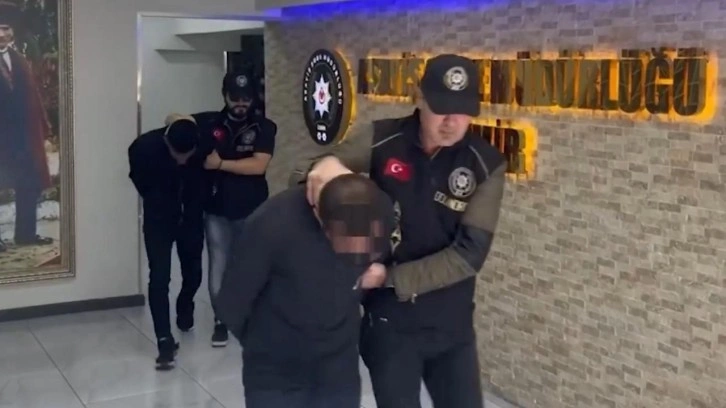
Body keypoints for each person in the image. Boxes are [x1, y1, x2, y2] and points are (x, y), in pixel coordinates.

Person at [290, 54, 506, 408]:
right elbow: (300, 176)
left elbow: (469, 255)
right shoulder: (383, 139)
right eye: (441, 109)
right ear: (420, 98)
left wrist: (389, 277)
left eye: (463, 111)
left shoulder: (485, 163)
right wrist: (325, 166)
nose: (451, 122)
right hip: (390, 324)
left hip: (451, 326)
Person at [215, 173, 395, 408]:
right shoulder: (271, 225)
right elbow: (232, 304)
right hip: (276, 372)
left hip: (339, 367)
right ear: (323, 224)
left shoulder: (378, 213)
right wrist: (265, 344)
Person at [169, 72, 277, 348]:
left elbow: (259, 165)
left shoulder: (264, 127)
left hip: (252, 208)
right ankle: (222, 321)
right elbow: (174, 119)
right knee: (218, 263)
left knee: (251, 264)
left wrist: (220, 164)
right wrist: (178, 123)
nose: (241, 103)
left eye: (246, 98)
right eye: (235, 97)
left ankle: (250, 316)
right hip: (216, 207)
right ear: (225, 96)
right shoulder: (210, 123)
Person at [128, 116, 208, 370]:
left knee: (194, 274)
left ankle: (185, 304)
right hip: (159, 220)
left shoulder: (203, 142)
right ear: (167, 142)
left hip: (191, 218)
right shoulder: (143, 148)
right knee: (159, 277)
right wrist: (160, 197)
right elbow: (139, 180)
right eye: (177, 155)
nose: (182, 160)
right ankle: (164, 340)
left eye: (187, 155)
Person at [0, 1, 54, 250]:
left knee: (28, 184)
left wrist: (43, 129)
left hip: (22, 136)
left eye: (6, 28)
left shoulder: (19, 60)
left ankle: (26, 234)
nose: (2, 34)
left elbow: (33, 97)